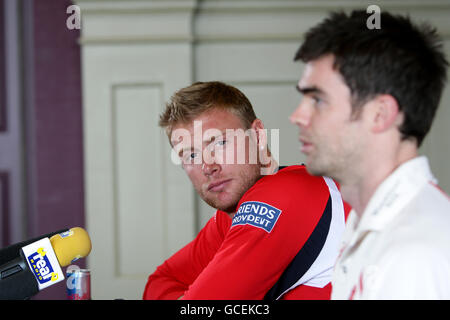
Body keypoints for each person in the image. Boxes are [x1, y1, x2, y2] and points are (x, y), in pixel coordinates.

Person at [290, 10, 450, 299]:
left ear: (380, 114)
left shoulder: (417, 254)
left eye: (318, 99)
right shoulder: (365, 227)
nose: (298, 116)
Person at [143, 81, 349, 300]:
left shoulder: (282, 193)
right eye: (191, 155)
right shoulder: (228, 218)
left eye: (220, 143)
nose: (207, 166)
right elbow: (160, 281)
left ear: (258, 135)